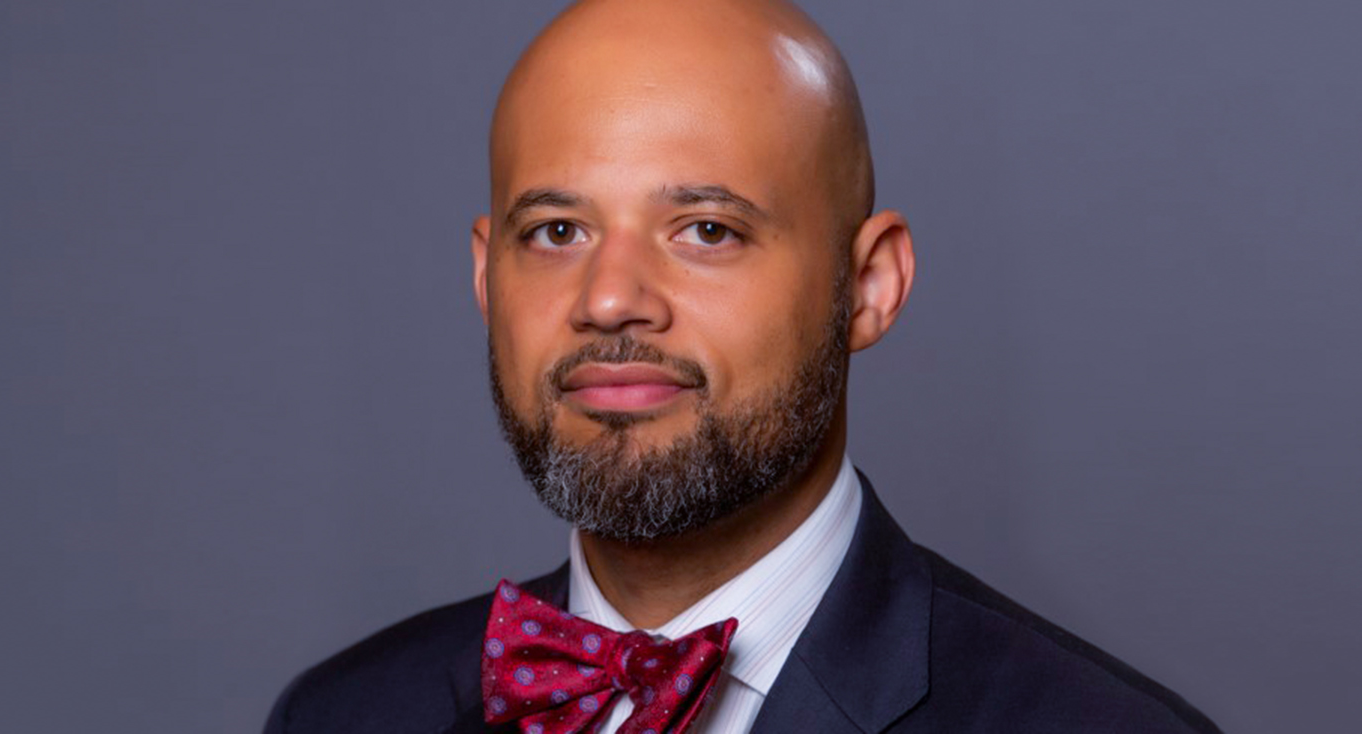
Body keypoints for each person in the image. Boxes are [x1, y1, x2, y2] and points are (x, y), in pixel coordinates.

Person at [264, 0, 1221, 731]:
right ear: (485, 276)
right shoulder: (344, 713)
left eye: (707, 230)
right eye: (557, 230)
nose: (608, 299)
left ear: (870, 285)